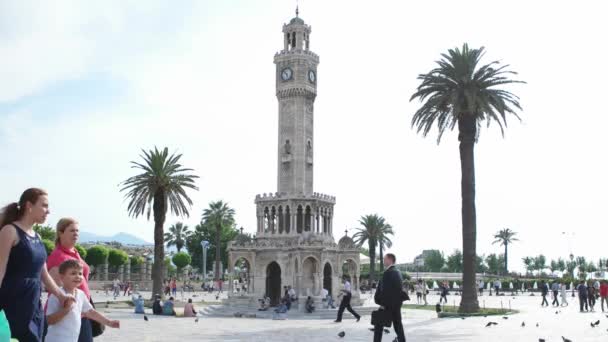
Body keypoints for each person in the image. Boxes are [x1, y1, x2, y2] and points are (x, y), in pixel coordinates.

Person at [0, 188, 74, 342]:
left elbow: (43, 273)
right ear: (29, 205)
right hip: (12, 302)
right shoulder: (10, 231)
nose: (48, 211)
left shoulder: (37, 236)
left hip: (33, 303)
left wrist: (61, 296)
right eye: (44, 206)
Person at [45, 260, 119, 342]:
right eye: (73, 273)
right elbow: (49, 320)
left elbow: (90, 312)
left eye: (80, 273)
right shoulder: (57, 295)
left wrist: (108, 322)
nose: (78, 276)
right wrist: (65, 310)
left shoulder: (80, 294)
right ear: (62, 277)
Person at [46, 218, 94, 342]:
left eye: (77, 231)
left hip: (80, 312)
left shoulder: (75, 253)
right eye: (72, 230)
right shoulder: (58, 256)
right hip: (68, 315)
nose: (76, 234)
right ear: (60, 233)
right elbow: (56, 288)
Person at [373, 253, 406, 342]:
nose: (383, 261)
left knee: (378, 324)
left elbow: (385, 290)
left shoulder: (388, 272)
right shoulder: (398, 272)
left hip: (388, 305)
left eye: (384, 259)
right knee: (398, 325)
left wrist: (382, 304)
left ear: (390, 260)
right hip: (396, 304)